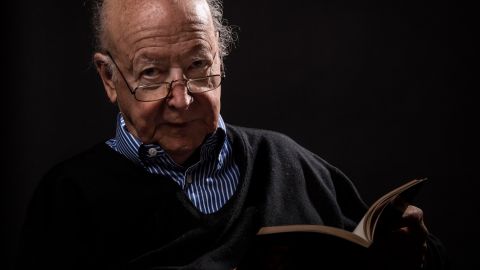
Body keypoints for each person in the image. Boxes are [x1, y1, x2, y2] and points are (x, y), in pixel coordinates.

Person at [16, 0, 448, 269]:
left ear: (220, 56)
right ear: (109, 78)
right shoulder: (68, 197)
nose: (181, 99)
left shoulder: (286, 162)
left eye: (199, 66)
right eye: (150, 74)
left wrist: (414, 257)